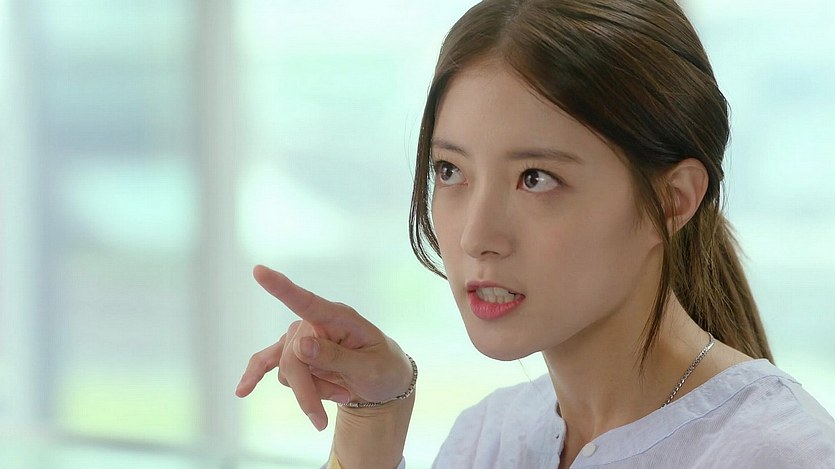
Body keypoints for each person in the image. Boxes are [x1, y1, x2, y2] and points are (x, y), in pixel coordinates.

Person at [235, 0, 835, 467]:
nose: (477, 236)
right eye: (450, 171)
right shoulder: (486, 440)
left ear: (672, 200)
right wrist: (374, 418)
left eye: (535, 178)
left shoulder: (775, 454)